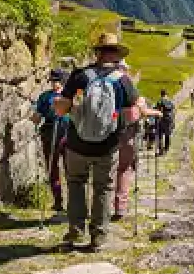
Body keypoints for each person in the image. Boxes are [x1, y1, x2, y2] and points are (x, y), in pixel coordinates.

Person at [54, 33, 139, 250]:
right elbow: (133, 113)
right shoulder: (123, 81)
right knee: (103, 188)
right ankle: (98, 236)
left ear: (97, 53)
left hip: (77, 143)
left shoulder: (79, 76)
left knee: (76, 184)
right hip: (108, 145)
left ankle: (75, 230)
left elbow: (63, 106)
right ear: (117, 55)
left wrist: (64, 107)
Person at [112, 61, 161, 221]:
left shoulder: (100, 80)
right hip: (126, 131)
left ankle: (100, 206)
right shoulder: (127, 85)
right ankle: (120, 207)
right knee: (124, 168)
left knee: (105, 168)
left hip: (103, 131)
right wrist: (157, 113)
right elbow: (143, 111)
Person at [31, 69, 69, 212]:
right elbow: (38, 114)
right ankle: (57, 200)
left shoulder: (69, 95)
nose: (54, 84)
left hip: (67, 132)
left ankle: (74, 201)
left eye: (57, 81)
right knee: (52, 167)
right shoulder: (45, 96)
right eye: (52, 81)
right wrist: (35, 116)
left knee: (70, 168)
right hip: (49, 131)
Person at [155, 89, 176, 156]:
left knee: (160, 135)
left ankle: (161, 150)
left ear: (161, 94)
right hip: (169, 120)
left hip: (162, 120)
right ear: (166, 94)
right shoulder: (170, 101)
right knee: (167, 135)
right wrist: (173, 121)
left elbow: (158, 111)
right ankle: (166, 150)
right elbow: (173, 111)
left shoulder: (160, 101)